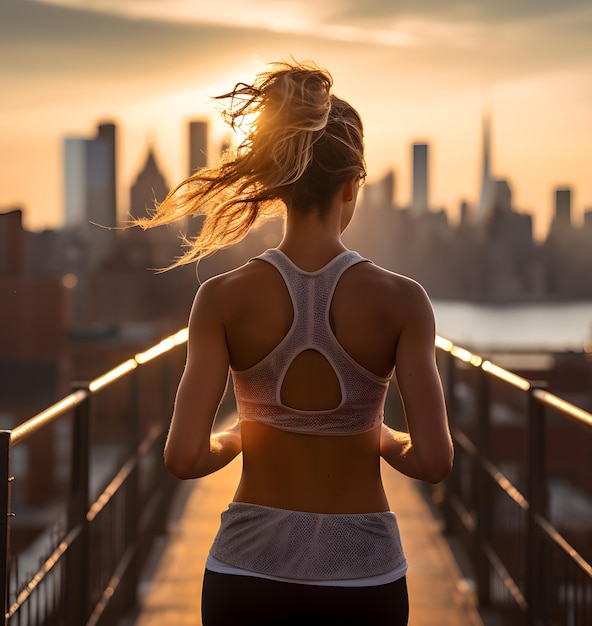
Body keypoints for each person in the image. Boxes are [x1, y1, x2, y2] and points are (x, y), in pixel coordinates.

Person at [138, 60, 454, 625]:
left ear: (277, 187)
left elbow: (183, 458)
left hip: (246, 570)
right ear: (352, 185)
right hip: (362, 570)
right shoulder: (403, 302)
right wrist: (377, 435)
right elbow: (433, 460)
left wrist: (239, 436)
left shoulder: (221, 298)